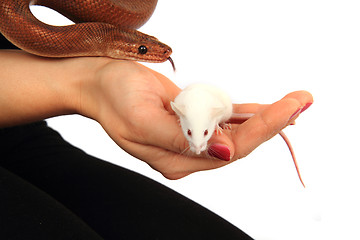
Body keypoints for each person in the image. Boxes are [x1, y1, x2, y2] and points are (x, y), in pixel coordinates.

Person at [0, 36, 313, 239]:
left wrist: (91, 82)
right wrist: (83, 84)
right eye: (142, 52)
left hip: (18, 125)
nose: (161, 55)